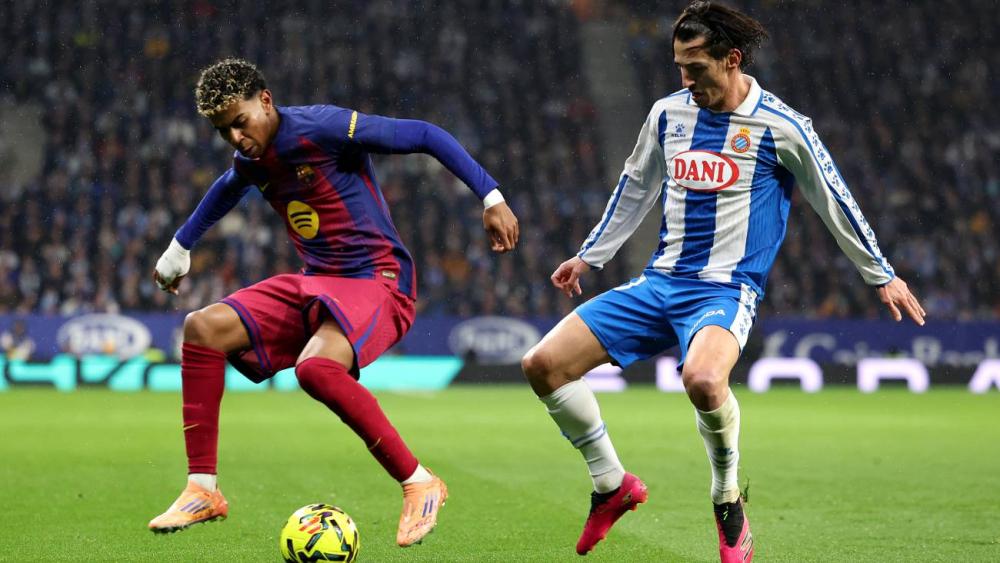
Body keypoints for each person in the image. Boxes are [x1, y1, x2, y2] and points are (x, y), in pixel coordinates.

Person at [520, 2, 925, 560]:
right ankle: (611, 485)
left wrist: (880, 274)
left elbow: (834, 198)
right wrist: (591, 256)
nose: (686, 80)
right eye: (679, 68)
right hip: (659, 283)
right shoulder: (668, 115)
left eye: (697, 68)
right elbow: (635, 186)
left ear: (732, 59)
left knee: (704, 381)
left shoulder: (782, 126)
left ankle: (728, 499)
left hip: (725, 290)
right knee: (542, 364)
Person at [148, 58, 519, 547]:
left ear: (265, 101)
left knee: (316, 370)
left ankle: (419, 481)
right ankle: (202, 489)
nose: (235, 138)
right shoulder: (252, 159)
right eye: (223, 131)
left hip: (379, 280)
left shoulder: (321, 127)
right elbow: (228, 186)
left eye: (240, 122)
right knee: (203, 327)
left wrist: (491, 197)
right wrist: (180, 246)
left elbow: (425, 135)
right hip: (319, 282)